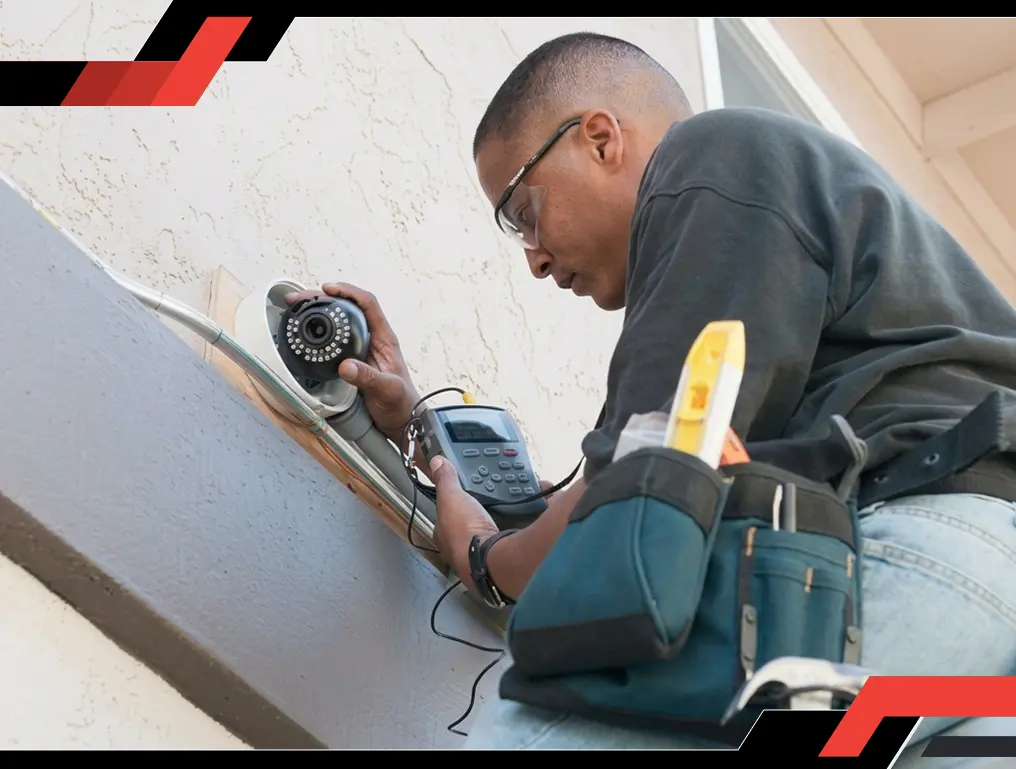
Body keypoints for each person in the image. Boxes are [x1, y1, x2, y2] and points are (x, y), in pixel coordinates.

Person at [288, 32, 1016, 755]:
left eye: (522, 212)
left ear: (601, 139)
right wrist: (421, 425)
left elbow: (648, 469)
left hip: (929, 542)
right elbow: (654, 474)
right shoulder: (777, 248)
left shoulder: (712, 157)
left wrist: (484, 555)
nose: (535, 258)